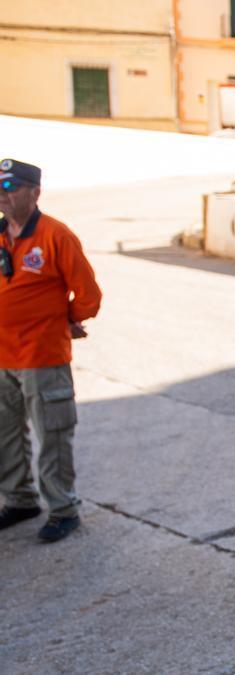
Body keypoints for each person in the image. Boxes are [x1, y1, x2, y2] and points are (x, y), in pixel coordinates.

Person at [0, 159, 102, 543]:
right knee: (5, 435)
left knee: (53, 436)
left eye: (10, 187)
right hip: (2, 358)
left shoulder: (56, 235)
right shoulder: (0, 235)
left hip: (42, 358)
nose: (3, 196)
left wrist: (65, 319)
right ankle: (19, 499)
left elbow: (89, 296)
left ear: (34, 192)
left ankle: (62, 508)